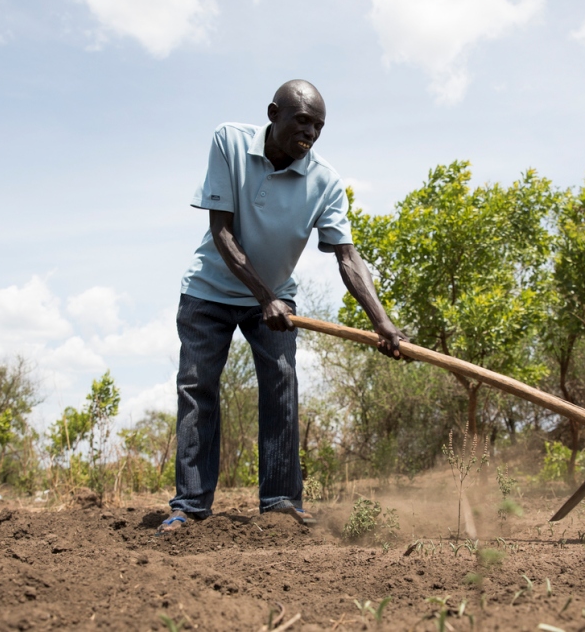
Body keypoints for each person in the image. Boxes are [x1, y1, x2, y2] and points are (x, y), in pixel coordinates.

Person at [159, 80, 405, 532]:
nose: (309, 133)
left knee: (281, 386)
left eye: (318, 126)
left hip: (275, 298)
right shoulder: (228, 141)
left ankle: (279, 502)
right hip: (209, 290)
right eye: (302, 121)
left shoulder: (325, 181)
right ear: (274, 114)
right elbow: (223, 233)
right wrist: (263, 297)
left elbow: (347, 257)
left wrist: (384, 324)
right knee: (197, 390)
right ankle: (190, 506)